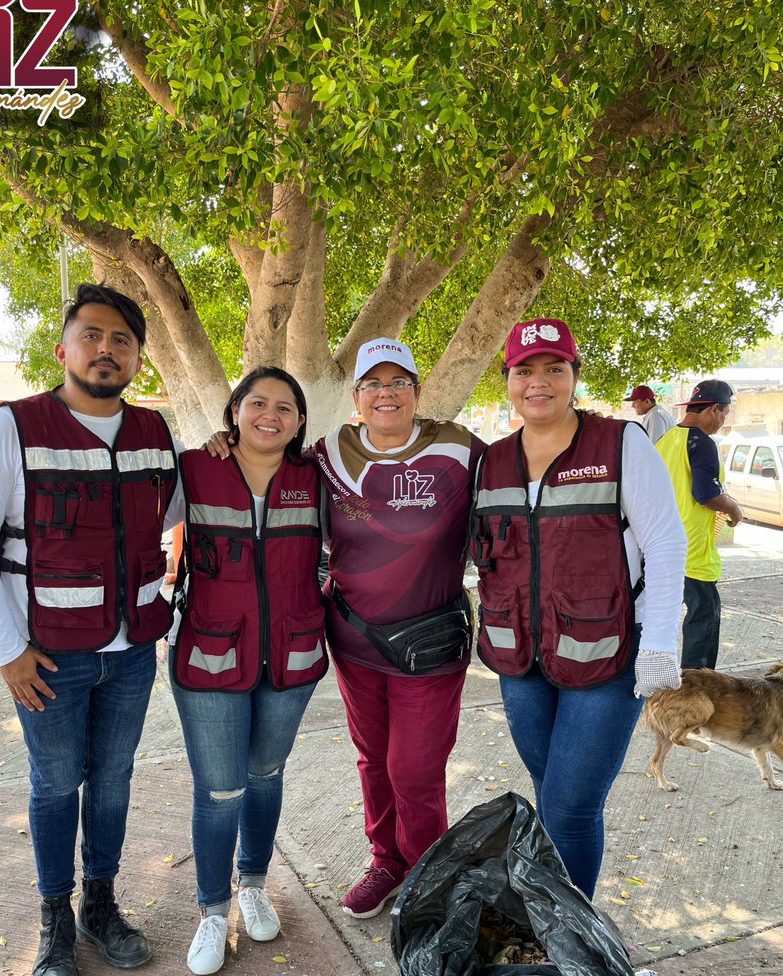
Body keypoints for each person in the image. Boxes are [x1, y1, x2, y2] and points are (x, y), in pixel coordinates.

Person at [0, 283, 183, 976]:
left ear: (139, 359)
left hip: (132, 655)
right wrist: (6, 652)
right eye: (92, 335)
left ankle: (100, 906)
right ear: (64, 348)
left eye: (122, 340)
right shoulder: (12, 429)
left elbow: (179, 513)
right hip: (48, 657)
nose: (106, 350)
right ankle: (54, 920)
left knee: (112, 782)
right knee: (56, 784)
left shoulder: (154, 433)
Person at [208, 339, 484, 920]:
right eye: (373, 385)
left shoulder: (461, 450)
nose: (387, 394)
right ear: (356, 396)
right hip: (357, 642)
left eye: (399, 382)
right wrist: (222, 442)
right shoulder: (328, 453)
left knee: (415, 766)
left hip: (430, 646)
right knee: (373, 757)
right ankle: (387, 860)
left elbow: (523, 483)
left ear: (416, 390)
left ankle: (428, 877)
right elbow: (263, 466)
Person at [470, 318, 687, 898]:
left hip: (608, 654)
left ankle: (568, 940)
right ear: (508, 381)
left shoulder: (620, 443)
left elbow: (665, 542)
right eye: (524, 371)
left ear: (573, 376)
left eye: (553, 369)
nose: (538, 383)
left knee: (570, 805)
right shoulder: (490, 460)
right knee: (550, 793)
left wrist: (661, 640)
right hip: (521, 659)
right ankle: (553, 923)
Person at [170, 368, 328, 975]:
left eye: (285, 406)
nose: (271, 415)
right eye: (257, 403)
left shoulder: (316, 479)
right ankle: (212, 912)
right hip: (210, 656)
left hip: (292, 657)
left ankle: (253, 883)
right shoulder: (195, 469)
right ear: (233, 411)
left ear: (300, 421)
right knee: (219, 789)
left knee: (264, 773)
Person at [656, 379, 742, 670]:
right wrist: (733, 508)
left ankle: (665, 685)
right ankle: (697, 691)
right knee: (703, 621)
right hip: (692, 552)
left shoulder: (666, 440)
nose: (722, 421)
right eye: (725, 414)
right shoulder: (703, 442)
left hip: (662, 548)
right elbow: (706, 494)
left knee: (663, 621)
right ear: (715, 409)